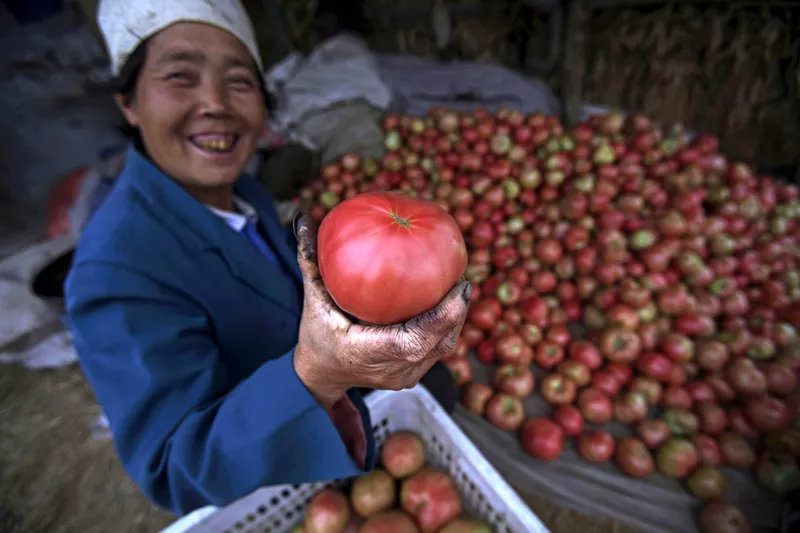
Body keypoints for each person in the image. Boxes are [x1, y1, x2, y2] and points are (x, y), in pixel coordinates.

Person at [65, 0, 471, 517]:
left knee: (438, 386)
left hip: (339, 413)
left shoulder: (242, 191)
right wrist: (316, 375)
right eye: (180, 77)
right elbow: (173, 469)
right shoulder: (113, 270)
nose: (216, 103)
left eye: (238, 81)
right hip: (278, 463)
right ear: (129, 102)